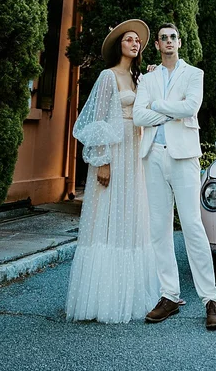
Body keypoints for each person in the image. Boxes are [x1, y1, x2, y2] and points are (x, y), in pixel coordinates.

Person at [66, 19, 159, 323]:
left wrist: (153, 80)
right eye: (129, 39)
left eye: (137, 41)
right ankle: (101, 298)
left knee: (130, 216)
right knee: (107, 214)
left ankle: (130, 295)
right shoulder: (108, 76)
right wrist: (102, 160)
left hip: (135, 152)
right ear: (119, 45)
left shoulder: (139, 79)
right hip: (114, 152)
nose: (135, 43)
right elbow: (95, 120)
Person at [133, 23, 216, 330]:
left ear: (179, 42)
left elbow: (191, 107)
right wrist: (171, 111)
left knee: (193, 226)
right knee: (159, 229)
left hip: (184, 157)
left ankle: (211, 299)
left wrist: (157, 106)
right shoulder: (147, 78)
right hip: (153, 155)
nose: (168, 41)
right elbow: (138, 116)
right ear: (157, 45)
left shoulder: (194, 74)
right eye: (163, 38)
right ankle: (169, 295)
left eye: (173, 37)